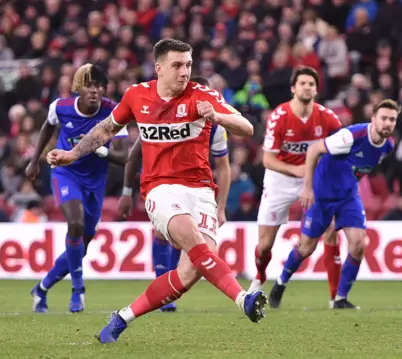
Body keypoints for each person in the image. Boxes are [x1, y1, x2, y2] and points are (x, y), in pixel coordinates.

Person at [46, 39, 266, 343]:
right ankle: (244, 299)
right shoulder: (137, 95)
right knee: (192, 239)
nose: (184, 72)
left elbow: (247, 127)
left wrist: (217, 116)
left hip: (201, 190)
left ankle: (123, 317)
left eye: (188, 65)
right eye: (177, 65)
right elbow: (105, 130)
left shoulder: (202, 95)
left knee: (191, 272)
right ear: (159, 68)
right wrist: (72, 155)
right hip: (159, 188)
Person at [268, 99, 399, 309]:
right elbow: (314, 151)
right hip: (321, 195)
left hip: (348, 196)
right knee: (306, 247)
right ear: (373, 119)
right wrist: (308, 188)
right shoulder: (351, 136)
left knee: (358, 244)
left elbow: (357, 168)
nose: (388, 123)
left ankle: (340, 299)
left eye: (392, 119)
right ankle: (281, 283)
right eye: (384, 118)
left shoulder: (388, 147)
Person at [117, 76, 230, 313]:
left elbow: (223, 167)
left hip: (195, 185)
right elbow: (133, 157)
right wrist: (127, 192)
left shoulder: (216, 127)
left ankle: (163, 290)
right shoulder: (163, 118)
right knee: (165, 230)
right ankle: (162, 278)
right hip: (161, 183)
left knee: (194, 250)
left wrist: (221, 207)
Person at [26, 63, 128, 313]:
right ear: (78, 88)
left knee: (82, 242)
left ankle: (42, 288)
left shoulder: (114, 112)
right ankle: (78, 289)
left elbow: (123, 156)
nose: (94, 91)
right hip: (66, 173)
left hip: (95, 182)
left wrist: (96, 147)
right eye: (89, 85)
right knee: (75, 224)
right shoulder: (60, 107)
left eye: (99, 86)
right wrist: (34, 160)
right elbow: (48, 125)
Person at [251, 66, 344, 308]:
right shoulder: (279, 117)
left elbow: (342, 149)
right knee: (264, 245)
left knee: (330, 231)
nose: (307, 87)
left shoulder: (328, 118)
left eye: (311, 84)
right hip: (281, 178)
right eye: (302, 83)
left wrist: (318, 176)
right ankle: (260, 275)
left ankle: (336, 297)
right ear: (293, 88)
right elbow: (267, 159)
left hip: (314, 180)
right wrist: (298, 171)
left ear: (316, 89)